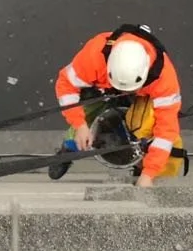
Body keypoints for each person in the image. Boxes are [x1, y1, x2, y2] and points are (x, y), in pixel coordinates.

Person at [51, 24, 184, 187]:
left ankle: (141, 167)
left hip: (141, 97)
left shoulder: (164, 79)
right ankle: (71, 146)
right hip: (102, 89)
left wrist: (149, 173)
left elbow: (166, 132)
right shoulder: (94, 56)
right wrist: (79, 124)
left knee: (150, 123)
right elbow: (65, 85)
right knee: (87, 109)